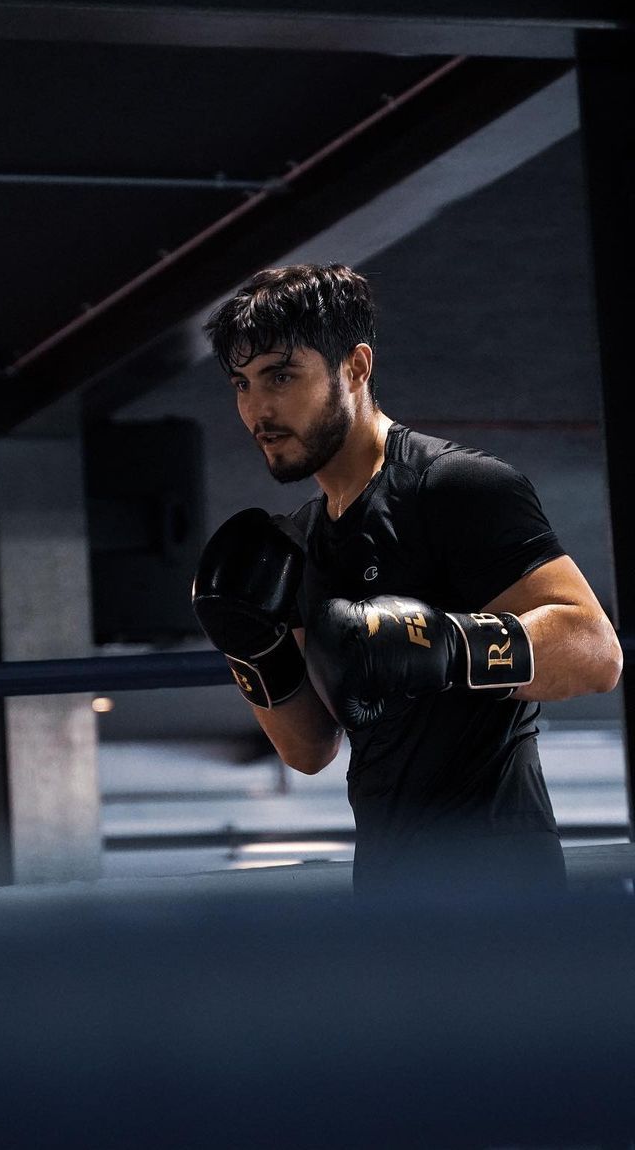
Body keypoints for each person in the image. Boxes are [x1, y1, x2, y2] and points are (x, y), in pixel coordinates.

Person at [192, 263, 622, 894]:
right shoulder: (303, 541)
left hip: (503, 873)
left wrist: (443, 643)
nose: (259, 408)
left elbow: (595, 650)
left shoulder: (453, 486)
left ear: (356, 367)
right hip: (388, 878)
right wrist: (254, 650)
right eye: (242, 383)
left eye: (282, 376)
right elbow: (308, 750)